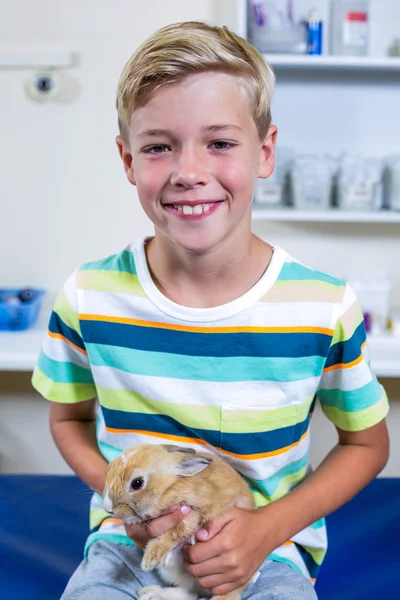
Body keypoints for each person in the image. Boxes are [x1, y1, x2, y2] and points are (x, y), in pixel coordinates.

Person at [32, 20, 389, 600]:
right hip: (129, 547)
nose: (188, 172)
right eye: (158, 146)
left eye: (219, 143)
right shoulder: (88, 296)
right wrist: (130, 504)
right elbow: (67, 420)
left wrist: (269, 528)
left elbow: (367, 445)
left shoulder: (324, 307)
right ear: (127, 160)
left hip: (263, 552)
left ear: (265, 150)